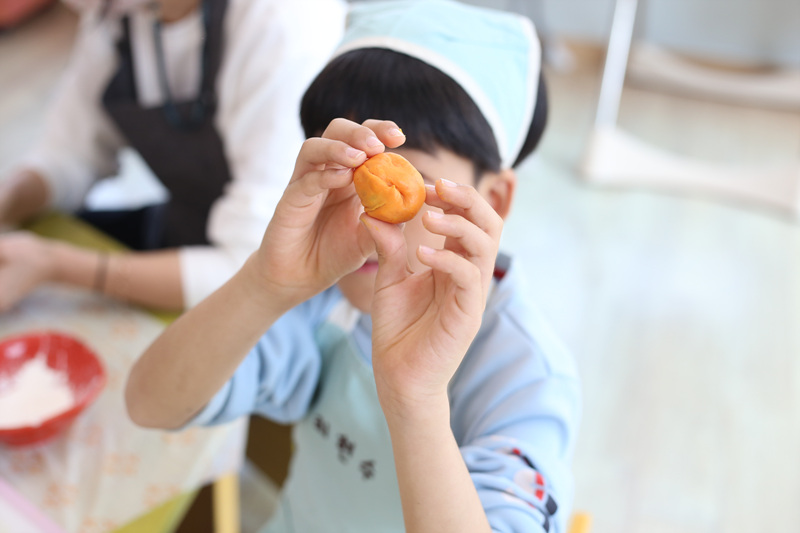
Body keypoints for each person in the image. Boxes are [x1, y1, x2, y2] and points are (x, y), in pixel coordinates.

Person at [125, 1, 581, 532]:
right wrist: (264, 285)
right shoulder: (324, 301)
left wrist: (415, 399)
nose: (367, 215)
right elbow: (149, 404)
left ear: (494, 199)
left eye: (404, 180)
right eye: (349, 173)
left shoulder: (523, 372)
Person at [0, 0, 347, 311]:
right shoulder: (118, 12)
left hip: (284, 292)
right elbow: (72, 151)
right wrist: (10, 198)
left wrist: (58, 266)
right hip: (188, 226)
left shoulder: (282, 23)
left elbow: (256, 265)